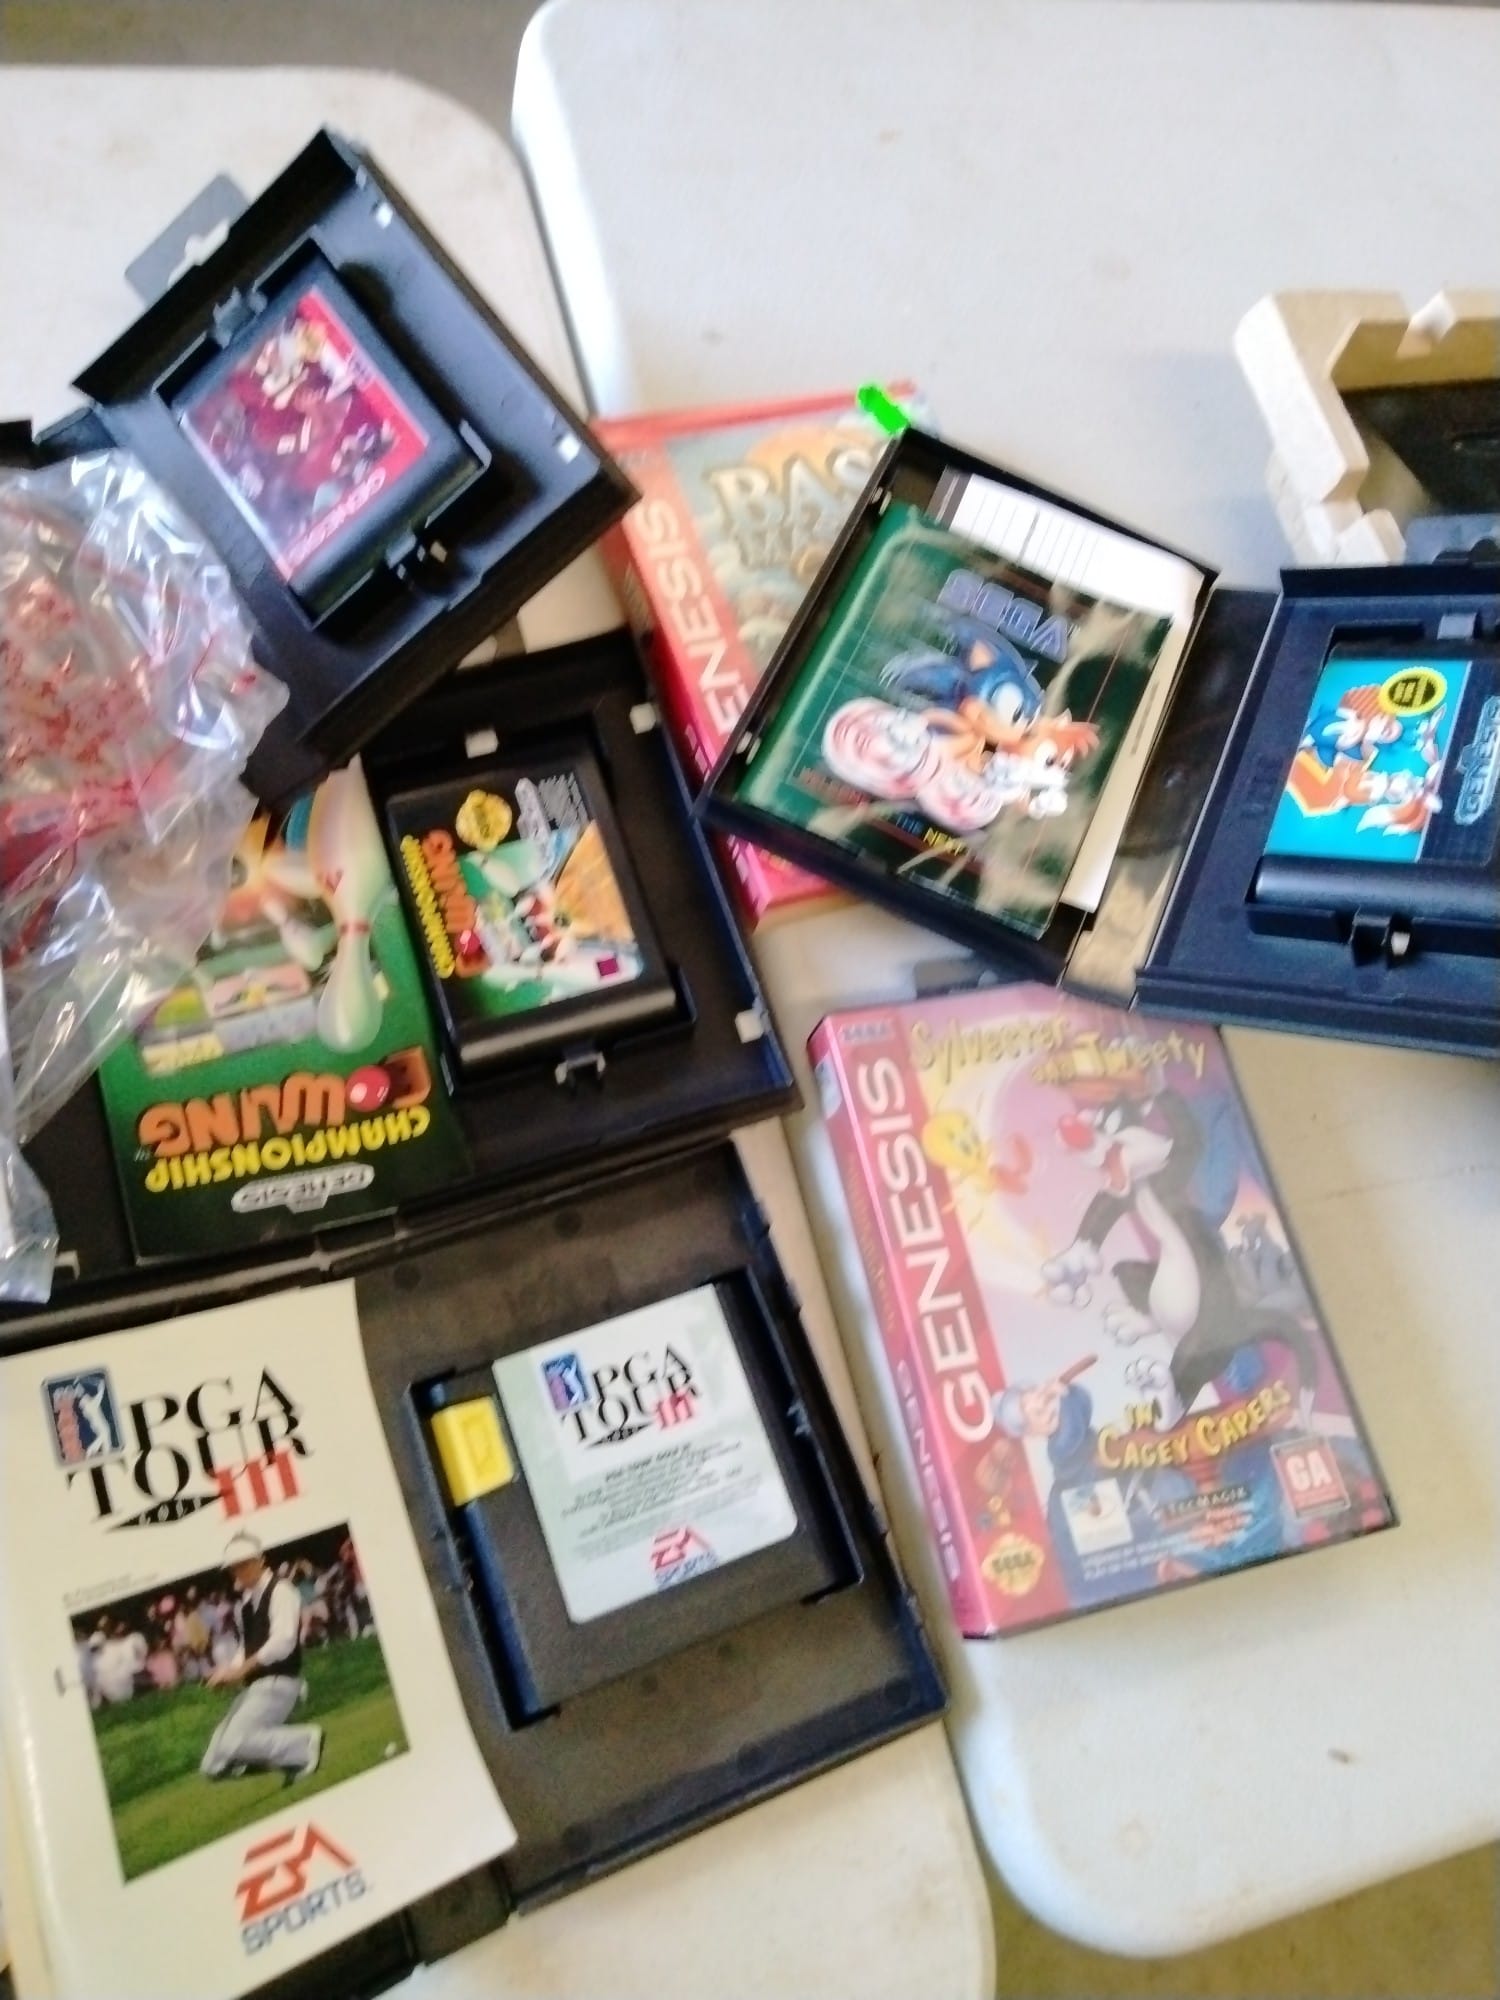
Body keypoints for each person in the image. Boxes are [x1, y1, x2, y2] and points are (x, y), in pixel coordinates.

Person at [199, 1533, 323, 1783]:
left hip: (280, 1682)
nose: (239, 1572)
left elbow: (284, 1641)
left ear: (260, 1560)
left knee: (233, 1743)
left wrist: (243, 1669)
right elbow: (246, 1648)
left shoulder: (281, 1590)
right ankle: (287, 1759)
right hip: (256, 1688)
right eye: (235, 1568)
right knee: (212, 1765)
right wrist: (227, 1672)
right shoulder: (245, 1604)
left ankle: (304, 1743)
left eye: (244, 1564)